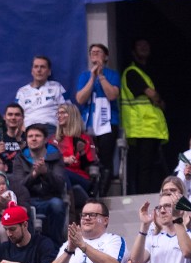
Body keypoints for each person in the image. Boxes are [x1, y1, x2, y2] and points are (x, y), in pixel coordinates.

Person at [121, 39, 168, 194]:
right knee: (144, 166)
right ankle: (143, 196)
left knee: (152, 165)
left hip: (150, 127)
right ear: (133, 51)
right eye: (139, 45)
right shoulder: (132, 72)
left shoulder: (147, 72)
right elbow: (152, 94)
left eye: (146, 45)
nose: (143, 48)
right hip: (141, 127)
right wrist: (159, 100)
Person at [75, 44, 120, 195]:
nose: (94, 54)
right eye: (92, 52)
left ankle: (102, 194)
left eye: (98, 52)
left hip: (108, 123)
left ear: (106, 56)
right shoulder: (84, 76)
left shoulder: (112, 75)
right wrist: (92, 77)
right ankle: (89, 192)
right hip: (88, 123)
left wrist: (101, 76)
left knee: (105, 160)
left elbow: (112, 95)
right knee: (87, 158)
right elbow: (80, 99)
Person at [15, 57, 66, 130]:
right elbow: (16, 114)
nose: (39, 70)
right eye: (36, 67)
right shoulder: (22, 91)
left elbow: (68, 111)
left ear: (49, 72)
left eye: (42, 67)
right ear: (32, 71)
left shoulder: (57, 87)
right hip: (29, 130)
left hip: (51, 129)